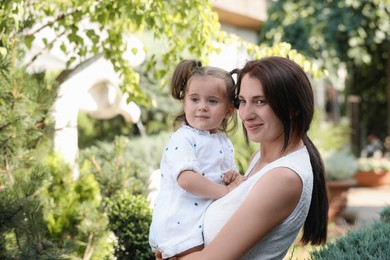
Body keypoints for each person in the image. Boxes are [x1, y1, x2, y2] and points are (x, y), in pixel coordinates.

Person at [157, 56, 329, 259]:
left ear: (293, 108)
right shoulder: (260, 159)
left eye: (260, 101)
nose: (246, 114)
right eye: (242, 101)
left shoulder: (283, 178)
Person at [149, 59, 246, 259]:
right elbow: (187, 179)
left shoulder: (223, 142)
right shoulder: (183, 138)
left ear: (228, 110)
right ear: (184, 102)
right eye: (194, 99)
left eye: (212, 101)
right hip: (179, 224)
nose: (202, 107)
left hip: (200, 222)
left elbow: (228, 174)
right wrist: (224, 191)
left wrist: (230, 176)